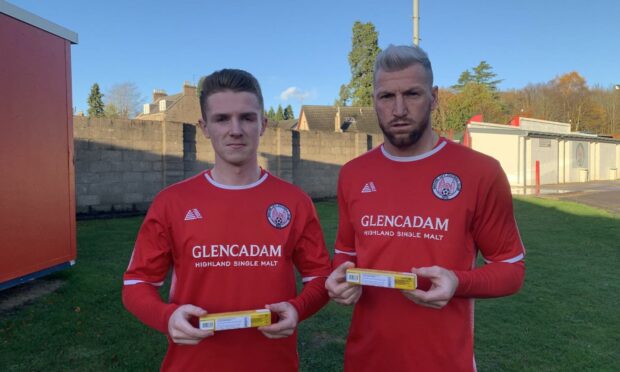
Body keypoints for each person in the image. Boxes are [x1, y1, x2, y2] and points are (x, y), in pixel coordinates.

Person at [325, 45, 526, 372]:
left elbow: (511, 269)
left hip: (445, 361)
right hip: (365, 360)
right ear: (374, 100)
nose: (399, 109)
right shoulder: (353, 174)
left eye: (412, 94)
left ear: (434, 97)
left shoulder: (481, 172)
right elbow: (345, 254)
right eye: (387, 96)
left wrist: (458, 282)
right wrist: (341, 278)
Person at [122, 69, 331, 371]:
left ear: (263, 125)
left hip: (274, 363)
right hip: (192, 363)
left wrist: (298, 309)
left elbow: (320, 276)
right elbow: (136, 283)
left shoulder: (294, 202)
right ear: (204, 127)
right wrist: (166, 317)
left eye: (247, 117)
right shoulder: (171, 202)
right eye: (222, 119)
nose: (235, 129)